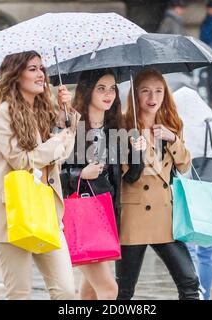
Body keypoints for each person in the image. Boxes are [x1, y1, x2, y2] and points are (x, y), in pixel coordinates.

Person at [0, 50, 80, 300]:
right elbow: (21, 161)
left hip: (46, 211)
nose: (40, 74)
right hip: (14, 214)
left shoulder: (44, 111)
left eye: (41, 68)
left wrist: (66, 113)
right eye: (32, 69)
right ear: (15, 76)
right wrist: (54, 144)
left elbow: (59, 157)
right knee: (19, 293)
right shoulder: (4, 113)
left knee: (66, 291)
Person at [60, 68, 146, 300]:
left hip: (106, 215)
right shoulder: (70, 127)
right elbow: (50, 174)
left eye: (112, 89)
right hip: (79, 215)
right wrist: (80, 175)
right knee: (109, 290)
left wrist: (139, 154)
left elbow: (130, 178)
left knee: (89, 292)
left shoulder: (115, 130)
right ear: (88, 91)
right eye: (101, 88)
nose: (109, 94)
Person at [116, 68, 200, 300]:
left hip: (165, 217)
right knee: (123, 291)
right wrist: (135, 152)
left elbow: (184, 166)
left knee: (189, 282)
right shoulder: (123, 125)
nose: (152, 98)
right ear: (135, 95)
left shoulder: (171, 125)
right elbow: (126, 176)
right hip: (134, 218)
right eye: (146, 91)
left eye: (158, 91)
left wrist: (172, 139)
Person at [173, 86, 212, 300]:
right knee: (207, 251)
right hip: (208, 195)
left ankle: (191, 293)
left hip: (182, 194)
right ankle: (204, 295)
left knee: (186, 249)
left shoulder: (174, 130)